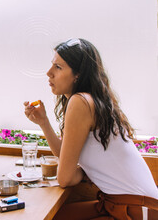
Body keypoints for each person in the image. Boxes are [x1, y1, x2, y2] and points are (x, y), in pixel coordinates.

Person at [24, 38, 158, 219]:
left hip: (136, 208)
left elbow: (65, 179)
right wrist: (44, 123)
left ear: (77, 74)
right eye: (52, 65)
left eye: (58, 67)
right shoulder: (90, 99)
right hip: (123, 203)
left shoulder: (81, 101)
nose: (49, 73)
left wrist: (80, 172)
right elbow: (65, 157)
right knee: (50, 215)